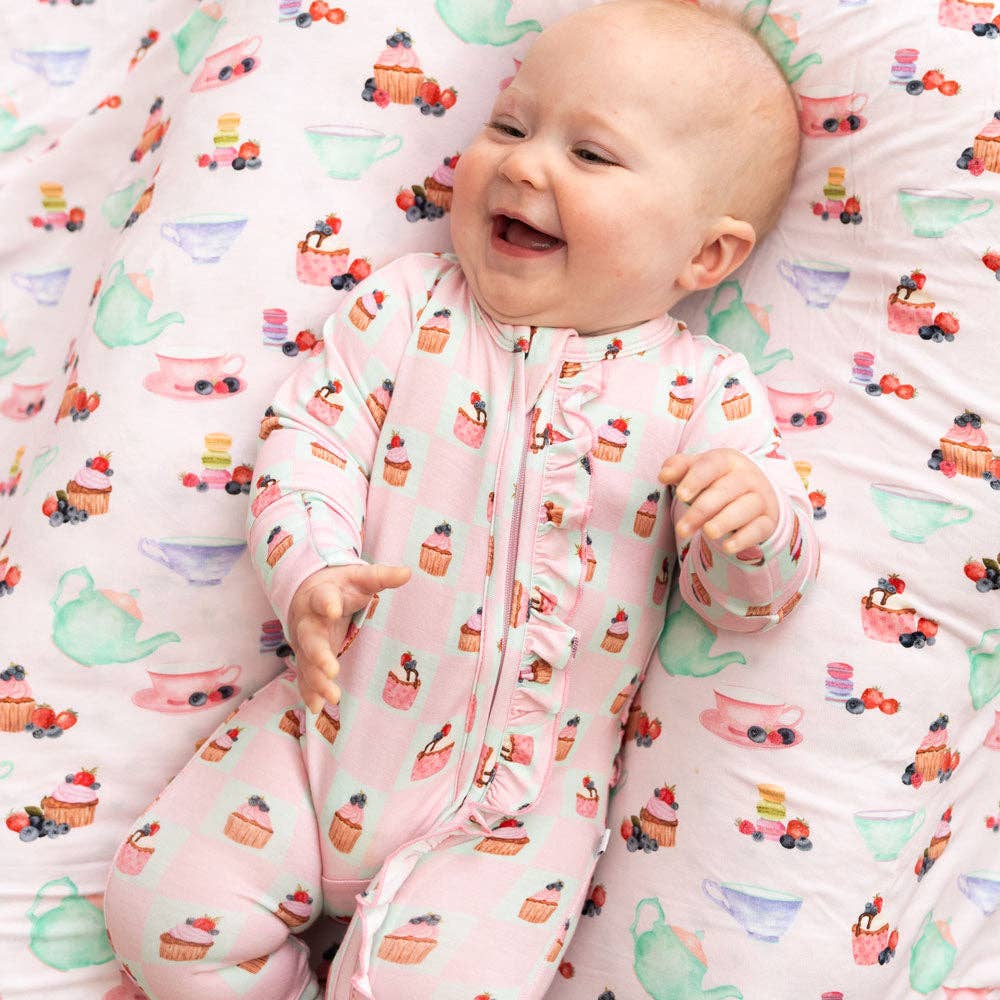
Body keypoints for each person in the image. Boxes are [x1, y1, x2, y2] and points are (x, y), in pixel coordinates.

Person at [104, 2, 818, 997]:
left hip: (515, 819)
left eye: (591, 154)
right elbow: (309, 441)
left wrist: (756, 527)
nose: (524, 165)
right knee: (161, 906)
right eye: (510, 126)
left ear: (705, 257)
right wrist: (311, 567)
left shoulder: (703, 394)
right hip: (322, 735)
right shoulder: (404, 310)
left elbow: (744, 604)